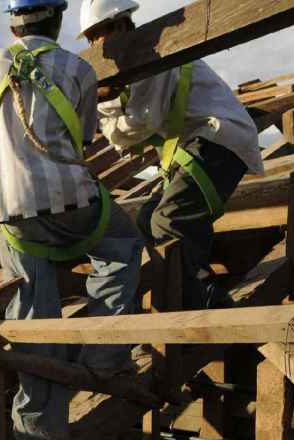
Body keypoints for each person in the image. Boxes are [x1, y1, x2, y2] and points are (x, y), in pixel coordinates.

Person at [0, 0, 142, 440]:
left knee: (33, 314)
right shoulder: (79, 69)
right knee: (123, 246)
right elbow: (83, 138)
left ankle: (38, 435)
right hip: (74, 203)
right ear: (59, 19)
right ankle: (104, 357)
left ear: (12, 22)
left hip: (13, 214)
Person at [80, 0, 264, 310]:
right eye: (91, 39)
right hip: (197, 144)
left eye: (99, 34)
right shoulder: (129, 70)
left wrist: (97, 102)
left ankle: (203, 307)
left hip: (219, 138)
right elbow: (123, 131)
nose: (97, 46)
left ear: (121, 25)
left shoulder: (153, 53)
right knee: (146, 219)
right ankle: (197, 292)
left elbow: (138, 125)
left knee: (170, 220)